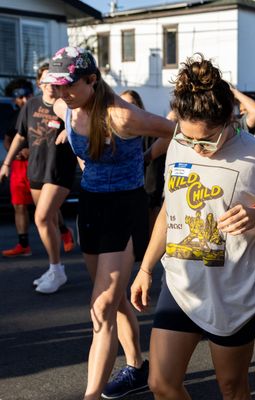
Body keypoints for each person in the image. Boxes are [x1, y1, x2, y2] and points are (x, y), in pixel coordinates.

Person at [129, 54, 255, 400]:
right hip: (181, 284)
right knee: (161, 383)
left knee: (232, 388)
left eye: (205, 140)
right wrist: (145, 267)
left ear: (229, 120)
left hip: (235, 292)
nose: (196, 149)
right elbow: (167, 210)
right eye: (189, 139)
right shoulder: (177, 145)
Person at [43, 46, 175, 399]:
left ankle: (91, 395)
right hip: (90, 206)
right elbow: (50, 96)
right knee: (113, 302)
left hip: (123, 207)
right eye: (58, 85)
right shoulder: (64, 106)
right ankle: (136, 367)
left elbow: (174, 130)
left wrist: (147, 157)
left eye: (68, 85)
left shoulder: (121, 116)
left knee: (100, 306)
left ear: (92, 79)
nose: (61, 93)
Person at [0, 63, 78, 294]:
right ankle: (54, 268)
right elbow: (20, 136)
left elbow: (82, 127)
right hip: (35, 170)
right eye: (46, 81)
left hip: (58, 171)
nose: (51, 86)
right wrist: (6, 163)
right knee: (49, 221)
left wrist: (69, 130)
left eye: (55, 82)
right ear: (40, 83)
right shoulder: (31, 105)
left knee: (41, 218)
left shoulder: (67, 106)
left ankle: (57, 269)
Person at [121, 90, 166, 234]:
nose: (127, 107)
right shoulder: (117, 130)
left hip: (149, 177)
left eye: (131, 103)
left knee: (152, 206)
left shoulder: (149, 128)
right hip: (127, 185)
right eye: (124, 104)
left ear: (138, 105)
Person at [1, 79, 34, 257]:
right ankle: (23, 245)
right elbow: (8, 139)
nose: (23, 100)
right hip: (18, 167)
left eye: (25, 96)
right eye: (19, 97)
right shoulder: (15, 116)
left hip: (37, 165)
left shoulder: (40, 111)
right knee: (19, 206)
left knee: (45, 206)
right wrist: (15, 153)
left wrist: (32, 150)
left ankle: (63, 231)